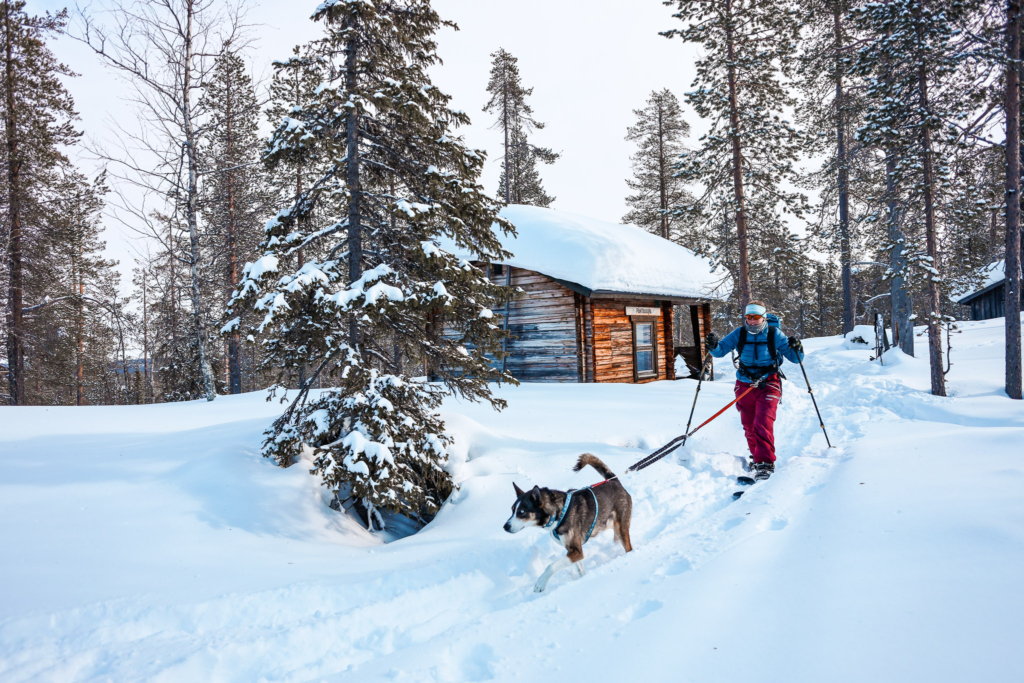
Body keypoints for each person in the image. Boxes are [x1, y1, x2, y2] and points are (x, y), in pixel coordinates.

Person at [704, 300, 804, 481]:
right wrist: (713, 345)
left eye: (755, 317)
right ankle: (757, 458)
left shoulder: (775, 334)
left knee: (763, 421)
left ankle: (765, 463)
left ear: (763, 317)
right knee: (749, 424)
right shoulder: (739, 333)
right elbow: (720, 352)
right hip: (745, 384)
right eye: (748, 317)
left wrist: (797, 348)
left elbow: (796, 359)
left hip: (769, 382)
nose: (751, 321)